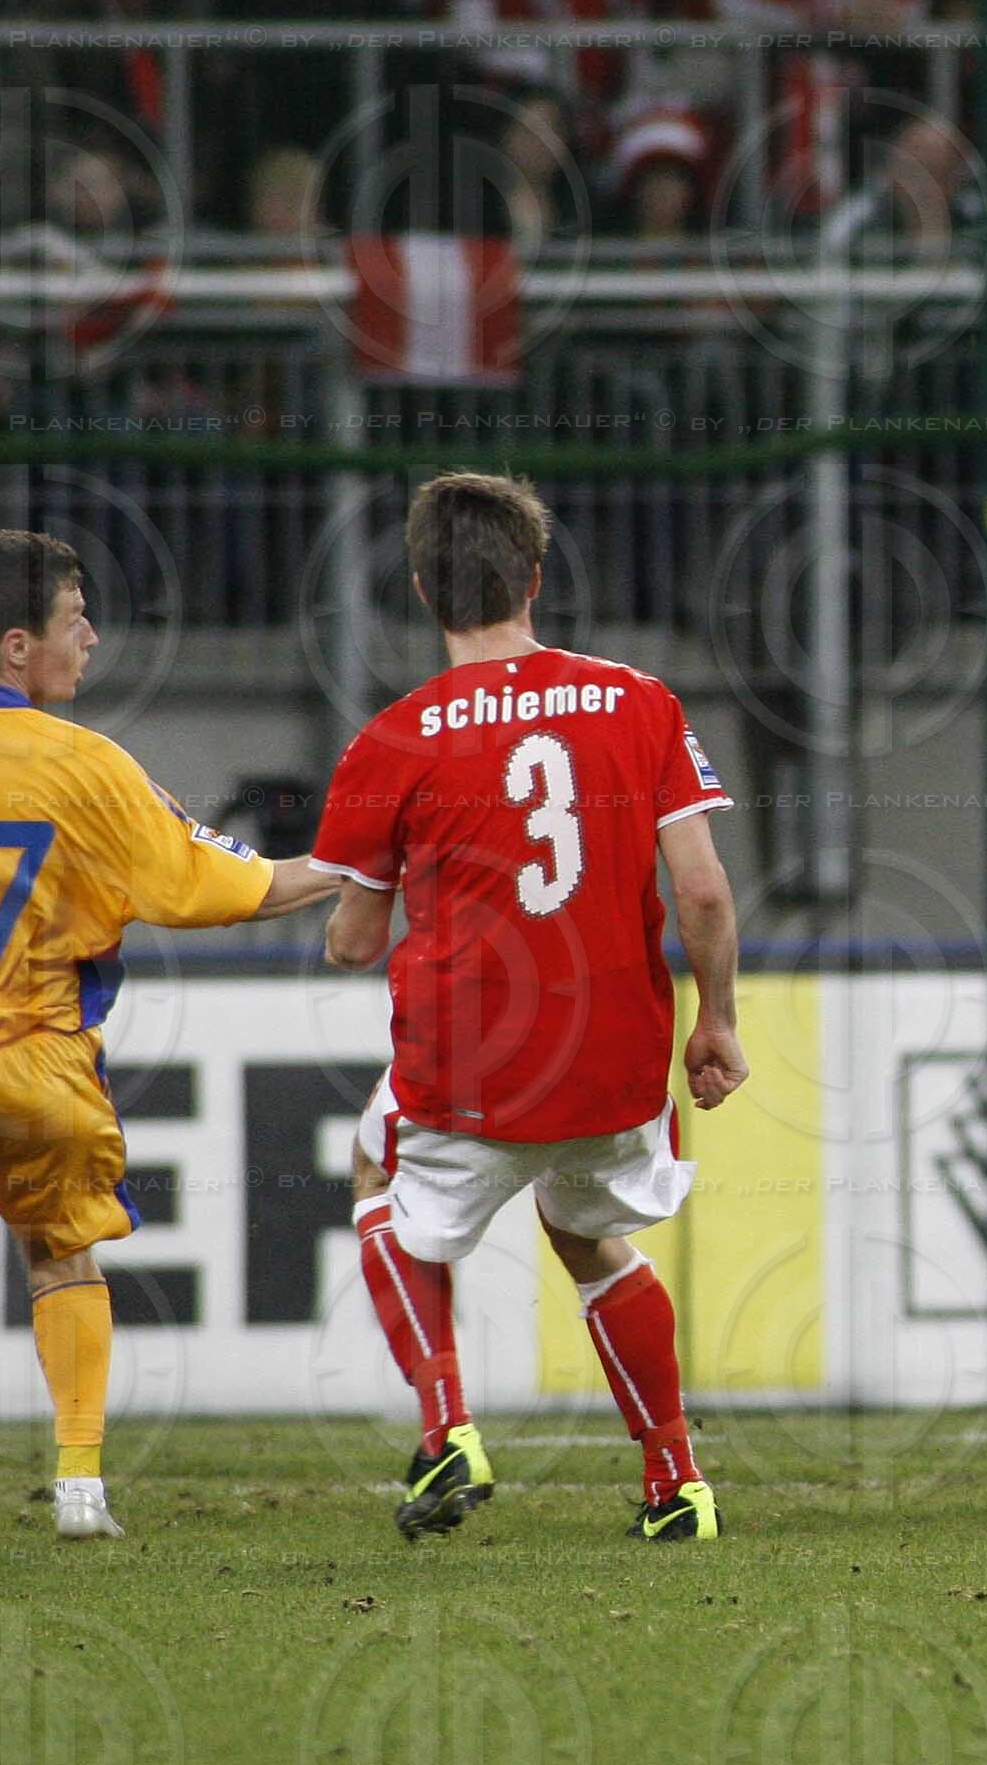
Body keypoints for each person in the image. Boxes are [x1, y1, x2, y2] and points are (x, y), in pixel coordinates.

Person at [0, 531, 339, 1540]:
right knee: (63, 1255)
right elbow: (230, 888)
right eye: (74, 620)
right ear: (16, 647)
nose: (90, 638)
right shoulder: (90, 764)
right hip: (48, 1074)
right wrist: (363, 862)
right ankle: (81, 1486)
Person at [311, 473, 748, 1542]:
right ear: (536, 578)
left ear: (422, 589)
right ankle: (676, 1484)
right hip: (615, 1062)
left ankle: (446, 1430)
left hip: (471, 1065)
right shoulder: (641, 701)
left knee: (377, 1177)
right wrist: (718, 1021)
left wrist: (335, 910)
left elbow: (355, 942)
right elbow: (701, 890)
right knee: (587, 1234)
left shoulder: (393, 740)